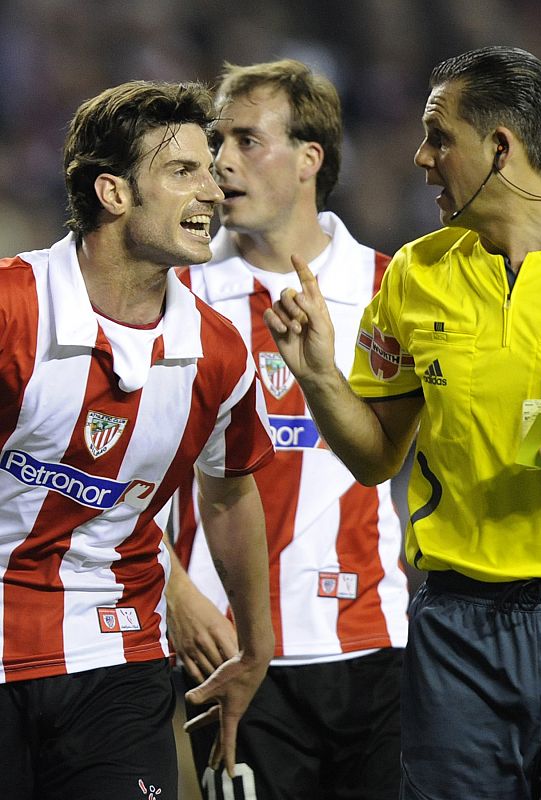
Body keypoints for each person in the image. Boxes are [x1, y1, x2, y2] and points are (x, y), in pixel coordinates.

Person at [264, 46, 541, 800]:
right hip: (456, 632)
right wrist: (320, 378)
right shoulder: (416, 273)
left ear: (501, 148)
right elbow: (375, 458)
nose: (420, 156)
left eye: (439, 136)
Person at [0, 80, 275, 799]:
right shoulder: (11, 313)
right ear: (114, 194)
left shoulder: (218, 353)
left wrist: (256, 642)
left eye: (212, 172)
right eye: (183, 172)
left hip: (118, 659)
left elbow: (229, 492)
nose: (212, 193)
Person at [166, 58, 409, 800]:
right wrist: (170, 588)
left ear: (311, 159)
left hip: (374, 645)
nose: (223, 161)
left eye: (246, 140)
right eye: (217, 141)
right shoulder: (179, 295)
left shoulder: (392, 288)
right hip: (229, 653)